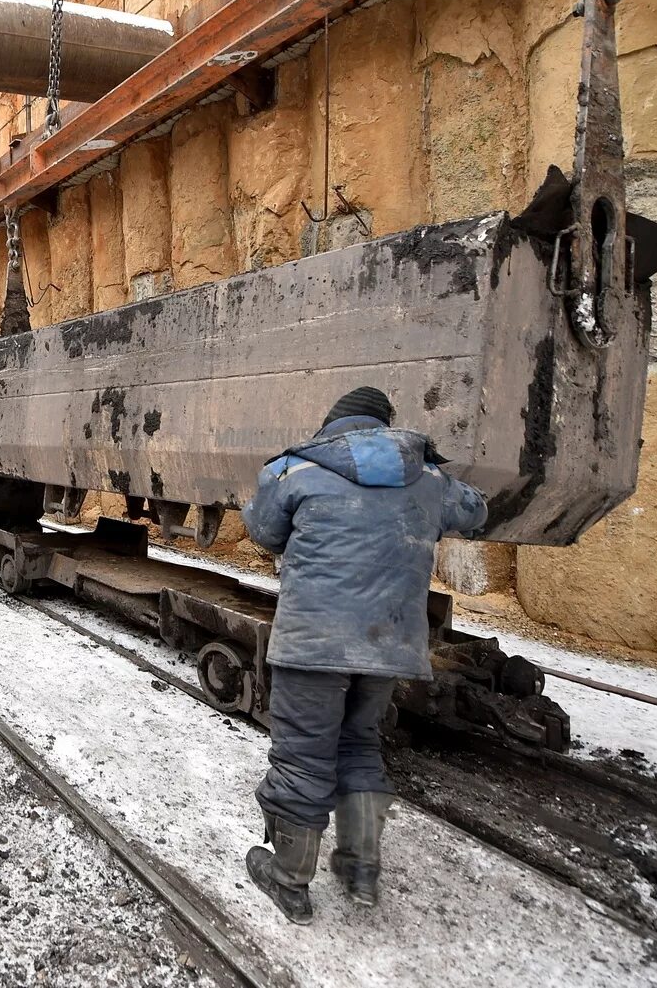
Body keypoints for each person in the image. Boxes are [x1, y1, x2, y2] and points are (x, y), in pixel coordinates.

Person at [239, 386, 487, 923]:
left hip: (314, 644)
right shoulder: (429, 478)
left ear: (332, 423)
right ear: (386, 426)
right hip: (388, 645)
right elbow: (476, 510)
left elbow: (262, 530)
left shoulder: (296, 470)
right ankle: (360, 871)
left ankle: (289, 883)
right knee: (359, 744)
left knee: (303, 755)